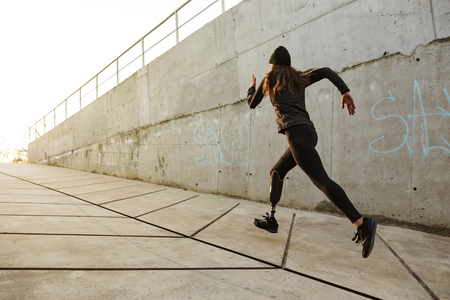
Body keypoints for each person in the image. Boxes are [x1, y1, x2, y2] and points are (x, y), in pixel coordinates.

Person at [247, 46, 377, 258]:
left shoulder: (269, 80)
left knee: (322, 181)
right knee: (277, 171)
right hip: (308, 133)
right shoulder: (298, 78)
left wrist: (251, 87)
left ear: (273, 65)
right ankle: (271, 220)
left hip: (296, 136)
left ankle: (362, 224)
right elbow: (325, 71)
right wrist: (344, 90)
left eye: (271, 65)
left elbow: (252, 104)